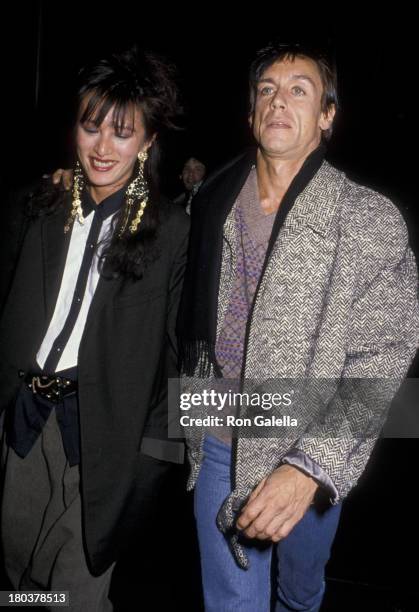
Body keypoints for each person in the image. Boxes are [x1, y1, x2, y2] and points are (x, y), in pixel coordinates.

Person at [176, 41, 419, 611]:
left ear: (327, 116)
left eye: (299, 90)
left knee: (301, 588)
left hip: (312, 427)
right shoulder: (207, 205)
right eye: (267, 90)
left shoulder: (369, 218)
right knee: (234, 602)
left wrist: (313, 465)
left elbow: (384, 357)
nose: (279, 101)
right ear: (251, 111)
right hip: (219, 426)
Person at [0, 47, 189, 611]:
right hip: (25, 426)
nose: (103, 147)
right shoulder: (36, 205)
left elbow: (175, 357)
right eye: (91, 128)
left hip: (106, 438)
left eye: (122, 133)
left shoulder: (171, 232)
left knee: (77, 596)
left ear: (148, 142)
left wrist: (154, 458)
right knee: (21, 586)